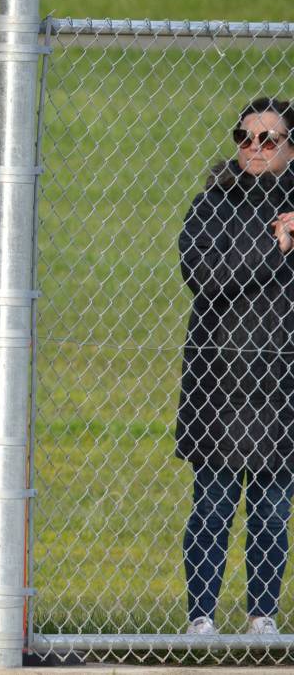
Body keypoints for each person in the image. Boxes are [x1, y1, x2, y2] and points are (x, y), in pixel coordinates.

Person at [177, 96, 294, 637]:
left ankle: (262, 615)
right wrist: (277, 248)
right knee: (214, 506)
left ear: (290, 148)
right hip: (221, 383)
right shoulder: (213, 204)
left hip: (284, 386)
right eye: (245, 137)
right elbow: (205, 273)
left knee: (272, 511)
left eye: (268, 139)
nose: (253, 147)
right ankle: (201, 616)